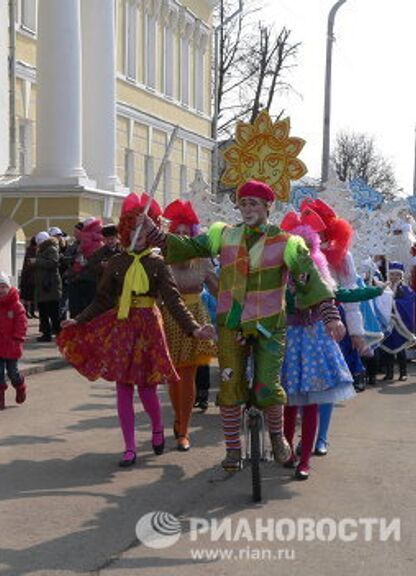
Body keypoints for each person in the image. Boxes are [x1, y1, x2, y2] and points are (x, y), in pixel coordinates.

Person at [147, 180, 345, 476]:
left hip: (269, 325)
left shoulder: (287, 243)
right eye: (243, 203)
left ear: (269, 207)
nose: (248, 208)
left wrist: (331, 315)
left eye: (255, 203)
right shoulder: (223, 235)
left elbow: (309, 278)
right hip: (231, 324)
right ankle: (232, 449)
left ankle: (277, 437)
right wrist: (154, 234)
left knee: (267, 385)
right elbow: (188, 246)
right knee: (230, 386)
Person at [58, 193, 215, 467]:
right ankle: (129, 446)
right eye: (132, 229)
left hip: (149, 329)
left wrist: (193, 329)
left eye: (143, 229)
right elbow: (102, 299)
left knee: (147, 389)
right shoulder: (117, 263)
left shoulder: (157, 264)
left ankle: (157, 428)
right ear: (124, 231)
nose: (137, 234)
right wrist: (79, 320)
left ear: (152, 232)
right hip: (122, 328)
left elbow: (173, 301)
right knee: (122, 388)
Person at [279, 208, 356, 480]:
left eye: (308, 247)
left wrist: (334, 320)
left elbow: (325, 298)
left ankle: (305, 459)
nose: (303, 254)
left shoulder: (316, 272)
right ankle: (286, 452)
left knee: (311, 402)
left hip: (312, 341)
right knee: (286, 400)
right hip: (287, 339)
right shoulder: (280, 272)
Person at [160, 200, 218, 452]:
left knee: (188, 375)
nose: (182, 237)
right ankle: (177, 417)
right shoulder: (163, 258)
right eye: (178, 233)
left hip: (196, 316)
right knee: (173, 376)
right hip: (170, 316)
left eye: (187, 233)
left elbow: (218, 289)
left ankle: (183, 428)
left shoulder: (203, 259)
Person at [0, 273, 29, 411]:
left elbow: (22, 323)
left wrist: (18, 338)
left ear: (9, 288)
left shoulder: (16, 306)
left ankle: (20, 386)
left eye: (3, 287)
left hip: (12, 344)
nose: (0, 290)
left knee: (12, 372)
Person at [379, 261, 416, 381]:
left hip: (400, 324)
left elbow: (408, 303)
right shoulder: (385, 288)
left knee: (400, 349)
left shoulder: (406, 289)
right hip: (388, 323)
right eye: (392, 274)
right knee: (388, 348)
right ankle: (389, 373)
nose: (394, 277)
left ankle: (403, 373)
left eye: (396, 275)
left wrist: (394, 303)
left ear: (401, 276)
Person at [33, 231, 62, 342]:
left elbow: (54, 263)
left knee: (53, 312)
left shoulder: (51, 249)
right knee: (43, 312)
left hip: (50, 286)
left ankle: (58, 333)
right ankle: (46, 333)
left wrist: (37, 261)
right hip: (43, 286)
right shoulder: (43, 249)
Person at [19, 236, 38, 318]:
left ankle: (30, 312)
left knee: (30, 296)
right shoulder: (32, 250)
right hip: (30, 276)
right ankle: (28, 312)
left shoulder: (30, 250)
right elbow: (29, 264)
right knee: (29, 296)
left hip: (29, 276)